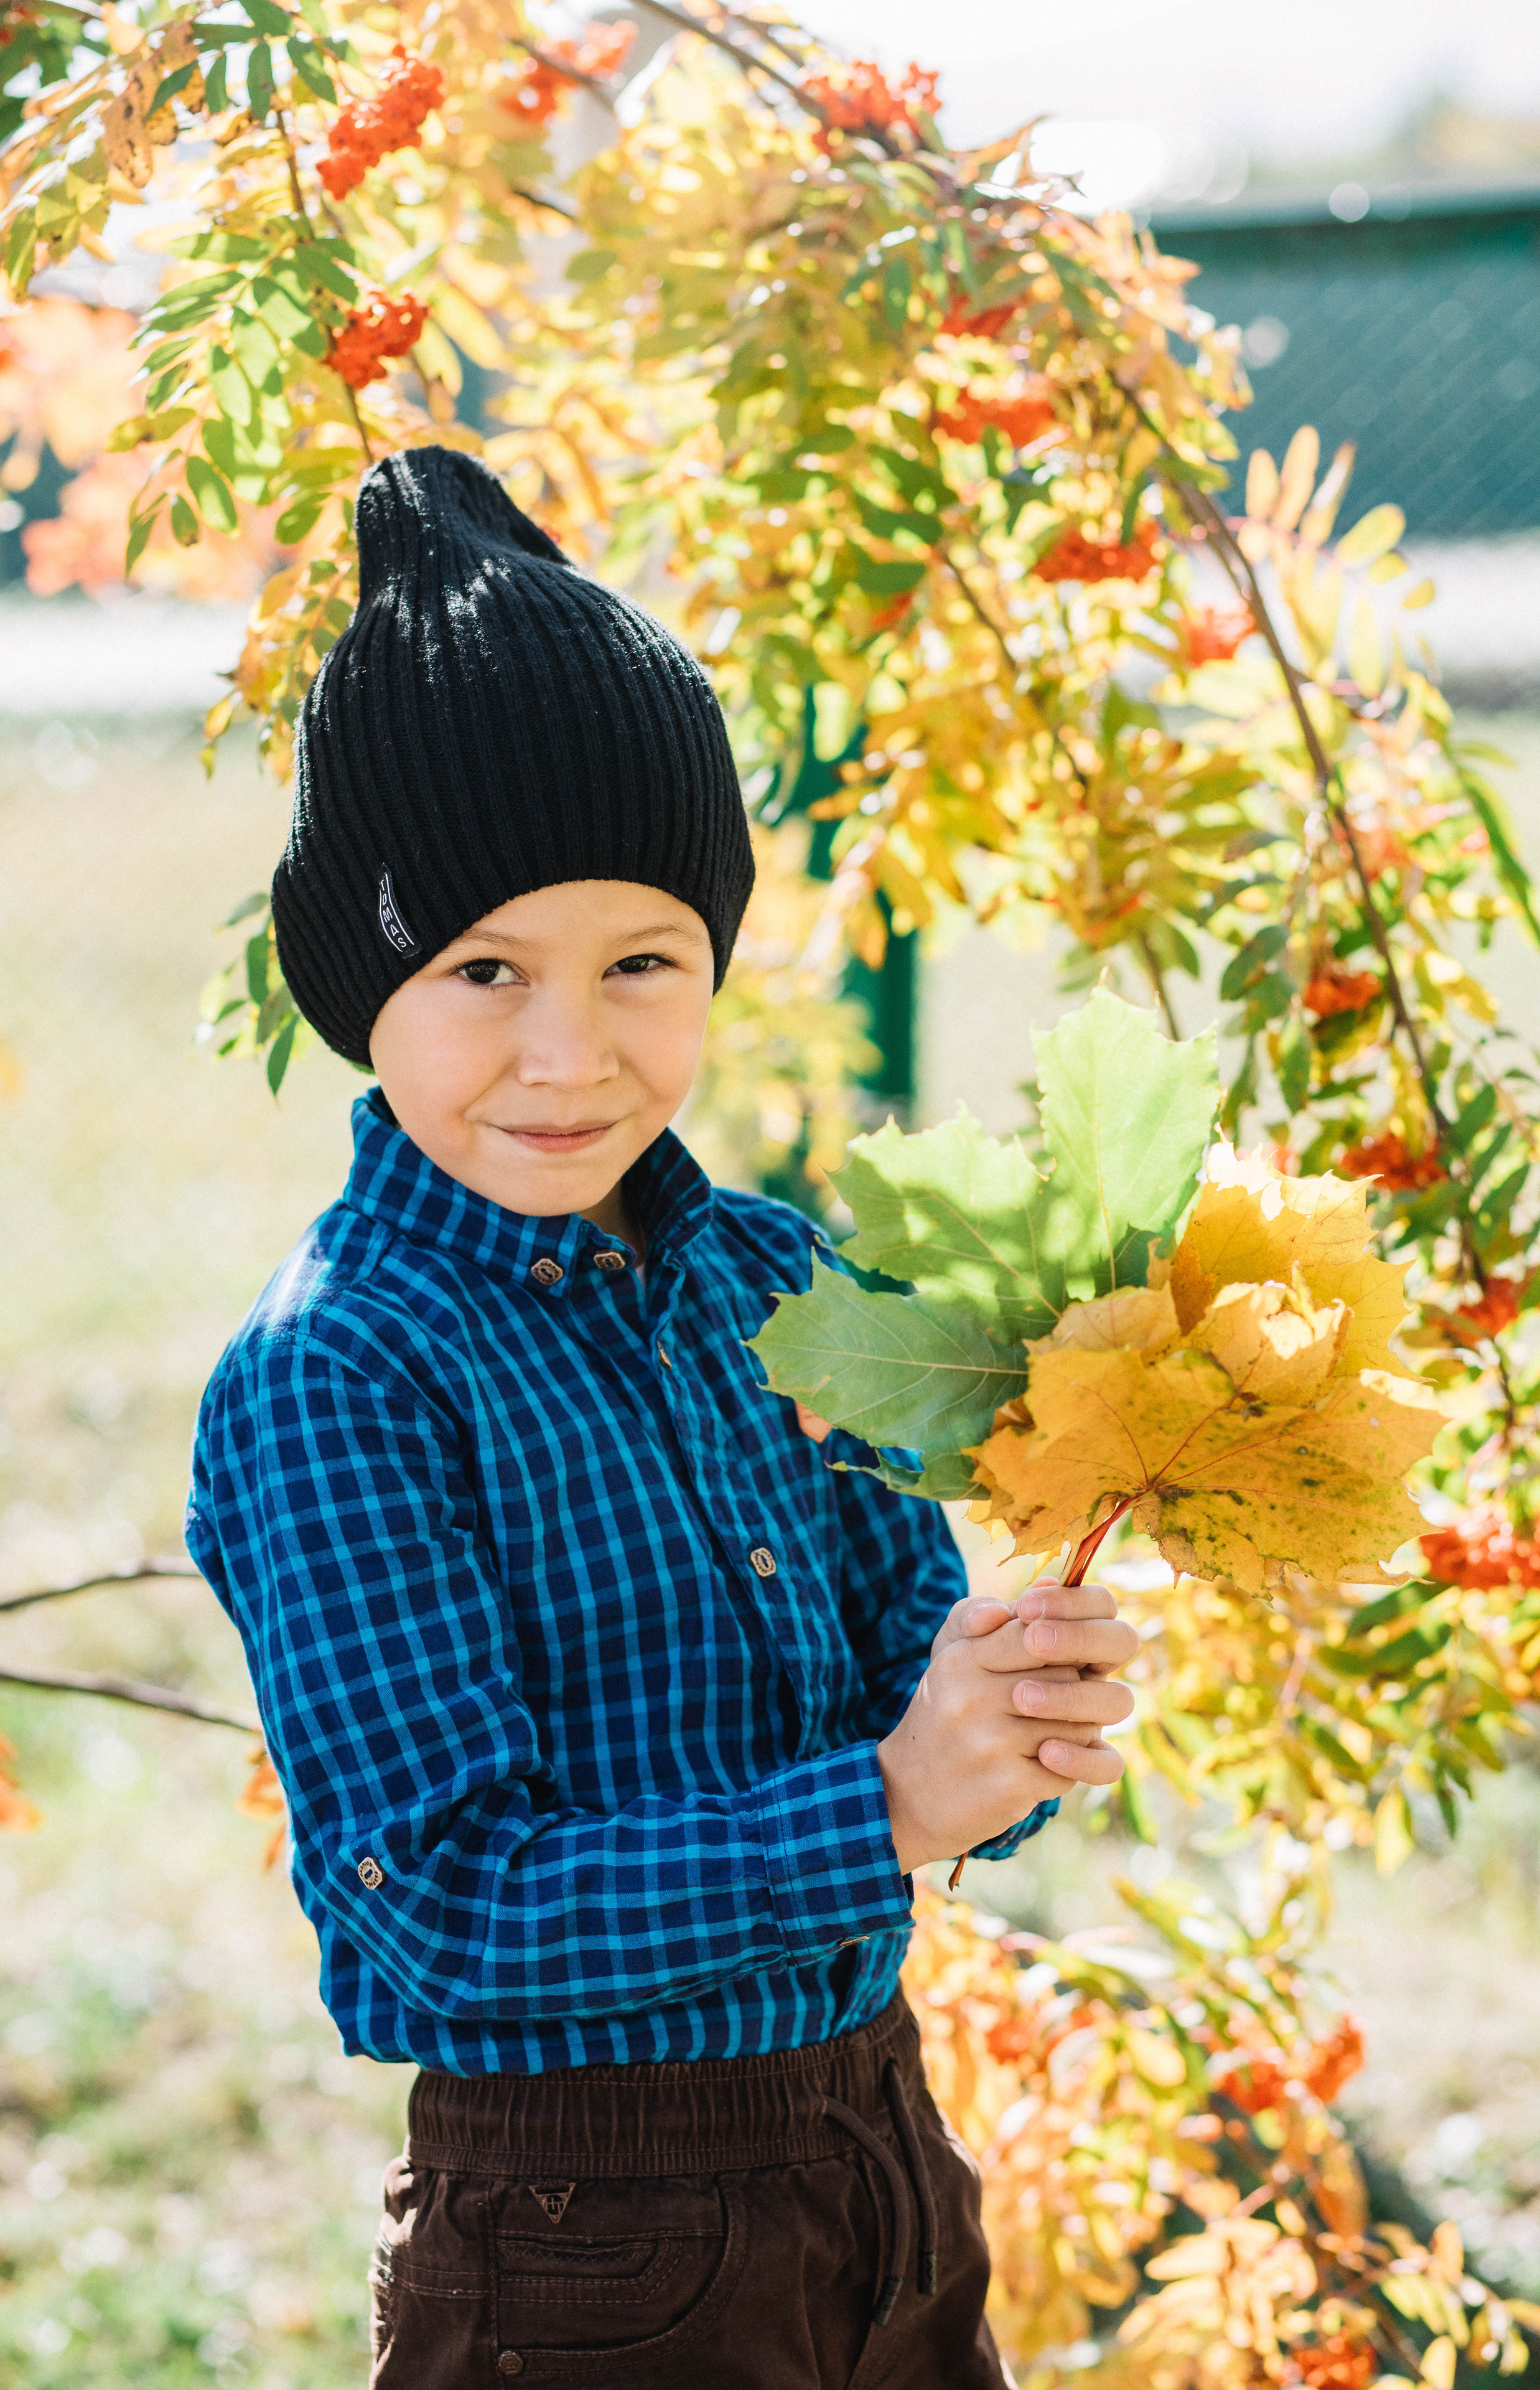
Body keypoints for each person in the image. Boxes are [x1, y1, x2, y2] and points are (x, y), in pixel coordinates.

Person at [187, 445, 1139, 2390]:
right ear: (360, 991)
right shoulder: (343, 1377)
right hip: (584, 2254)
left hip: (880, 2145)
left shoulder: (778, 1282)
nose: (570, 1050)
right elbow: (441, 1920)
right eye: (482, 972)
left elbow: (900, 1661)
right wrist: (888, 1807)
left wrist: (998, 1712)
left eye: (644, 963)